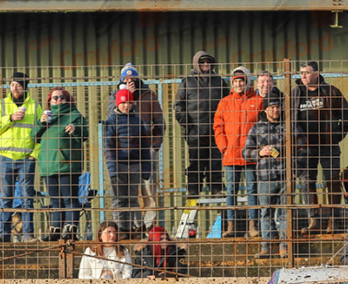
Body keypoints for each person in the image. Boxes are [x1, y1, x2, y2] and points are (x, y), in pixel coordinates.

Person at [243, 88, 308, 258]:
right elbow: (245, 152)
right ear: (265, 109)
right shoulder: (257, 128)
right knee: (266, 212)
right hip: (265, 178)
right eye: (271, 107)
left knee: (286, 212)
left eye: (278, 107)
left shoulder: (290, 126)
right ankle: (267, 246)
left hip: (287, 176)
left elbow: (304, 149)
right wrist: (259, 152)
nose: (275, 110)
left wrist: (296, 171)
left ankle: (285, 246)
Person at [290, 61, 348, 235]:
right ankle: (314, 220)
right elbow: (287, 118)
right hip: (304, 148)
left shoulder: (331, 91)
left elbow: (347, 114)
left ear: (316, 74)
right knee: (307, 183)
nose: (303, 76)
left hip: (328, 145)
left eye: (307, 72)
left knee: (332, 181)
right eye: (301, 72)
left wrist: (338, 135)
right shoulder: (295, 93)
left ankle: (333, 220)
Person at [109, 64, 165, 229]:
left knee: (148, 188)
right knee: (129, 190)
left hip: (146, 149)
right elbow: (110, 119)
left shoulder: (149, 95)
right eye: (126, 79)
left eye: (132, 78)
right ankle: (133, 224)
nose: (129, 81)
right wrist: (127, 97)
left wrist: (155, 146)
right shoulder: (114, 96)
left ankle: (148, 224)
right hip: (125, 152)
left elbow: (160, 122)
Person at [0, 71, 40, 242]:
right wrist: (10, 118)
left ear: (25, 87)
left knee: (27, 198)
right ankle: (4, 235)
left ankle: (28, 235)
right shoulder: (2, 105)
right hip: (6, 158)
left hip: (26, 159)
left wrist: (34, 155)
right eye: (12, 84)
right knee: (6, 198)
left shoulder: (34, 106)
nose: (15, 87)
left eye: (18, 84)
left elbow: (42, 132)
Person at [213, 66, 263, 238]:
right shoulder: (225, 102)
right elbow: (218, 127)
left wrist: (258, 148)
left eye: (242, 80)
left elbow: (263, 126)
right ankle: (231, 226)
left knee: (252, 189)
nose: (239, 84)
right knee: (231, 191)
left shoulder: (257, 100)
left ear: (247, 82)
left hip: (251, 155)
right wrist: (224, 148)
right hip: (231, 154)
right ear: (232, 83)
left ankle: (253, 226)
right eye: (236, 81)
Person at [34, 88, 88, 241]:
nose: (58, 100)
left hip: (67, 164)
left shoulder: (75, 115)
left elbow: (85, 134)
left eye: (62, 97)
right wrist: (41, 123)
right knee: (55, 200)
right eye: (54, 98)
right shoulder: (45, 117)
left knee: (69, 198)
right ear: (49, 101)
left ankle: (71, 229)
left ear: (68, 99)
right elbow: (33, 136)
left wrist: (75, 129)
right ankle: (55, 230)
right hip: (48, 166)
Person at [173, 51, 228, 199]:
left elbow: (228, 103)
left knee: (215, 160)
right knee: (196, 161)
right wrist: (188, 125)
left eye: (208, 62)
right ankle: (193, 190)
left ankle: (216, 189)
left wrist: (224, 125)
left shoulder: (219, 81)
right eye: (202, 62)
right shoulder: (187, 81)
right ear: (196, 63)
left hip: (216, 130)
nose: (205, 65)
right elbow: (178, 105)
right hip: (195, 130)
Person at [103, 90, 152, 239]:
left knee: (132, 197)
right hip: (119, 166)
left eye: (129, 102)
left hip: (135, 165)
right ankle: (120, 229)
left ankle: (132, 228)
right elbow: (109, 147)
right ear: (118, 103)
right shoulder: (112, 121)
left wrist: (146, 168)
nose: (126, 105)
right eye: (123, 102)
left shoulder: (137, 122)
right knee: (119, 199)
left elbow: (144, 146)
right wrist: (112, 169)